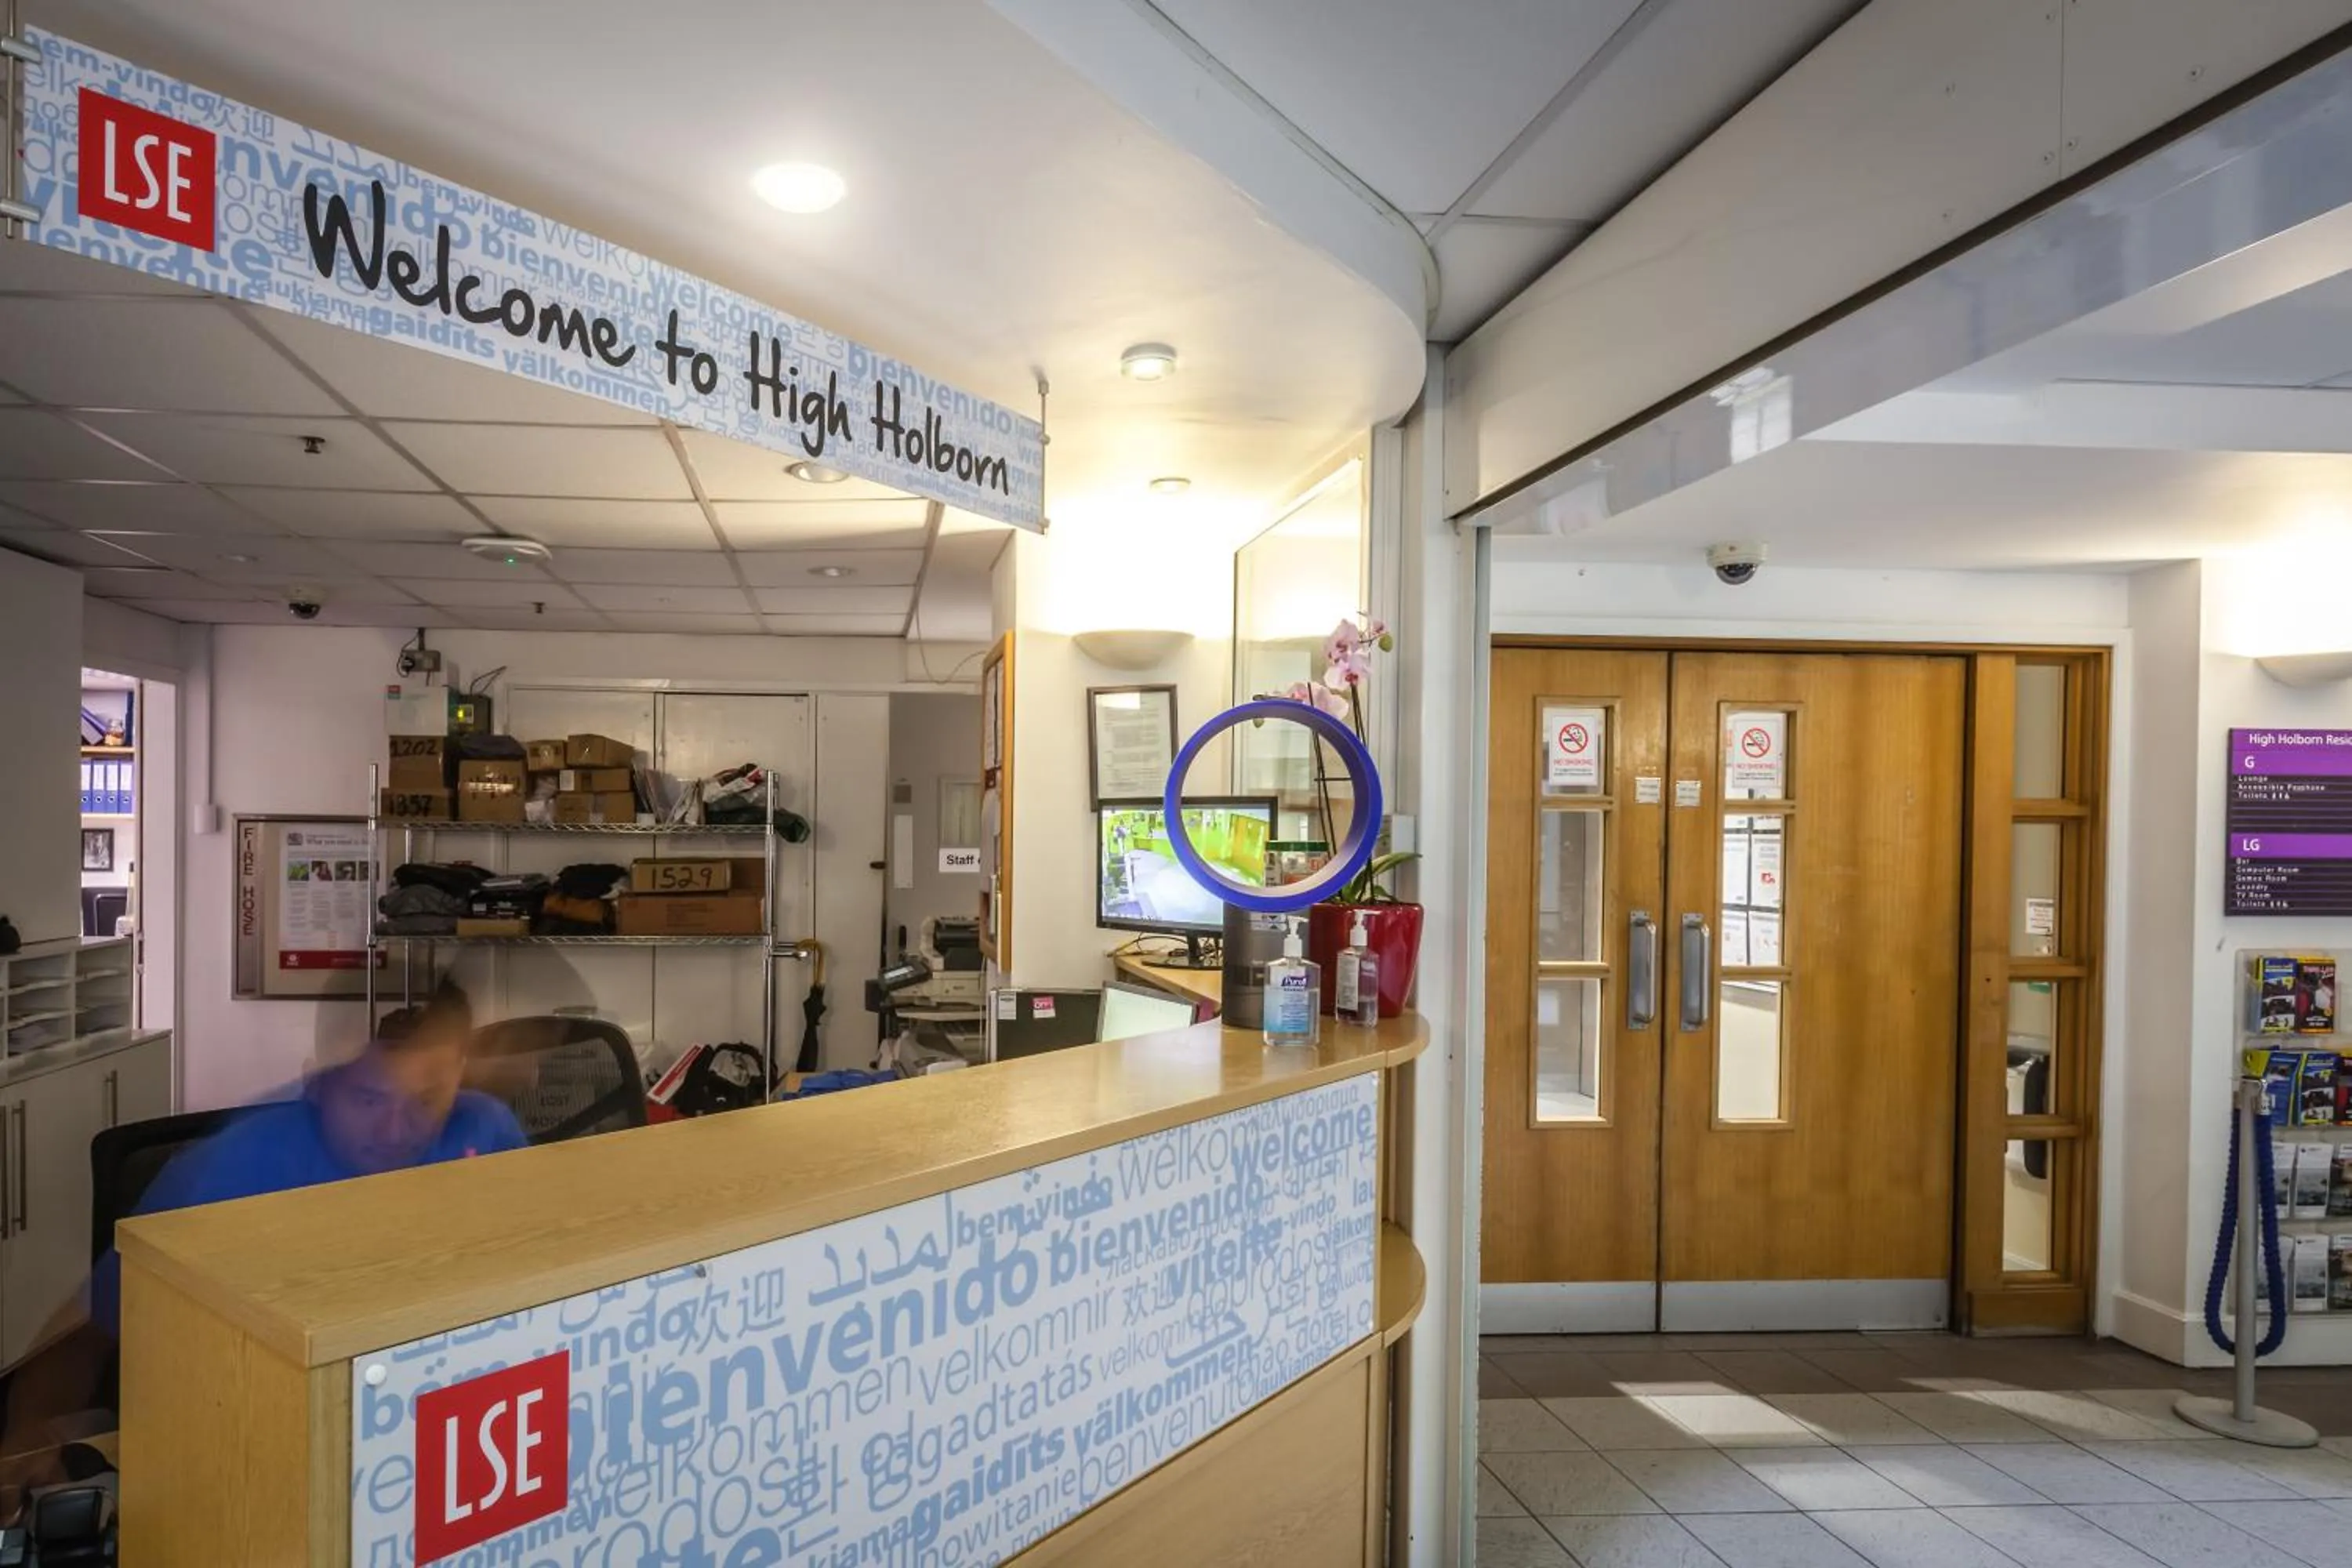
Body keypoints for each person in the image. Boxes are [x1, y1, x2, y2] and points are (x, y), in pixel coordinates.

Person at [0, 985, 526, 1501]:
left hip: (426, 1419)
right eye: (368, 1098)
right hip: (266, 1435)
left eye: (426, 1098)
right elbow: (91, 1327)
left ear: (459, 1079)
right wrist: (30, 1432)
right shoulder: (232, 1171)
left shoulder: (485, 1129)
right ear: (317, 1084)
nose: (395, 1129)